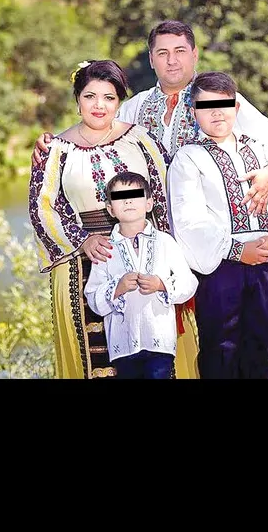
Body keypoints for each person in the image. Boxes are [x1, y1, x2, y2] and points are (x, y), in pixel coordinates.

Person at [29, 60, 200, 379]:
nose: (99, 105)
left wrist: (169, 262)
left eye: (109, 97)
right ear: (77, 99)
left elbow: (165, 196)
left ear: (119, 101)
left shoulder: (141, 140)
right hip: (81, 263)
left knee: (158, 358)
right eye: (90, 96)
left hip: (145, 255)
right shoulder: (56, 150)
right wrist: (82, 241)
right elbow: (42, 208)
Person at [35, 19, 268, 216]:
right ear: (151, 59)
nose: (172, 60)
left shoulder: (222, 100)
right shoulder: (135, 107)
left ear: (194, 55)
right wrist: (54, 143)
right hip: (154, 231)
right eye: (162, 53)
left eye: (180, 51)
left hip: (213, 226)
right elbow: (97, 129)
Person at [168, 71, 268, 379]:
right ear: (194, 112)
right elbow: (189, 220)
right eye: (207, 106)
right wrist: (237, 250)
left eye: (223, 104)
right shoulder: (188, 158)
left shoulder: (260, 152)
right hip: (220, 267)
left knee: (261, 344)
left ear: (236, 107)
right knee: (221, 348)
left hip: (267, 262)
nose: (217, 113)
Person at [83, 173, 198, 379]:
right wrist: (117, 288)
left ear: (149, 203)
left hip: (160, 342)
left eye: (134, 195)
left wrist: (161, 284)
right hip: (123, 346)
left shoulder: (165, 242)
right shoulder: (105, 249)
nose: (127, 201)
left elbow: (189, 283)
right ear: (110, 209)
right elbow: (92, 297)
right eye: (120, 197)